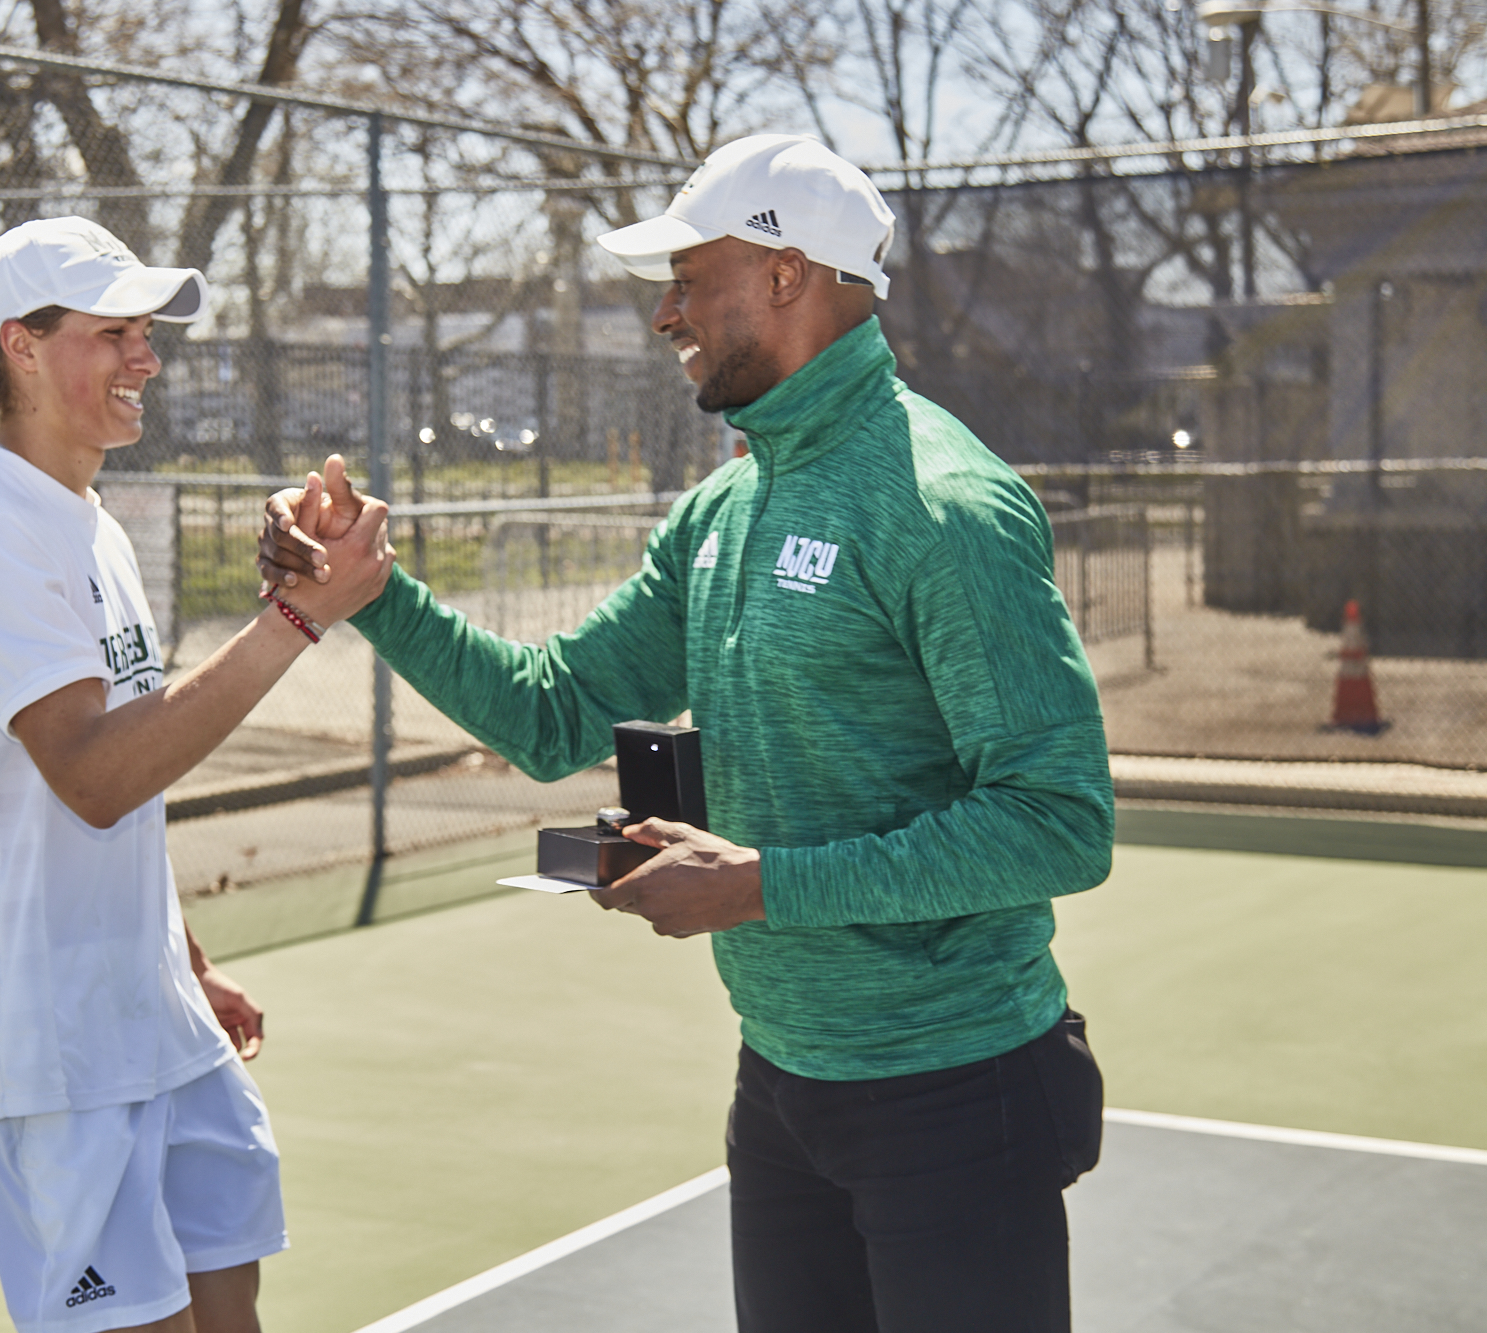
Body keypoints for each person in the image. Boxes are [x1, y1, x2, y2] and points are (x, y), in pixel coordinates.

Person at [258, 135, 1113, 1332]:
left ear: (782, 274)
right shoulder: (723, 505)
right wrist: (372, 593)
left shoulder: (942, 503)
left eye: (688, 278)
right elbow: (552, 710)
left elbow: (1057, 820)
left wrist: (761, 884)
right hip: (779, 1083)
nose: (666, 313)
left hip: (953, 1090)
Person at [0, 216, 393, 1333]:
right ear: (21, 348)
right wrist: (295, 619)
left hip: (153, 1024)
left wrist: (187, 961)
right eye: (115, 331)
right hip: (53, 1057)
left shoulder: (99, 529)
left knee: (232, 1312)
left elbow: (132, 782)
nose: (147, 357)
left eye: (146, 332)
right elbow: (92, 775)